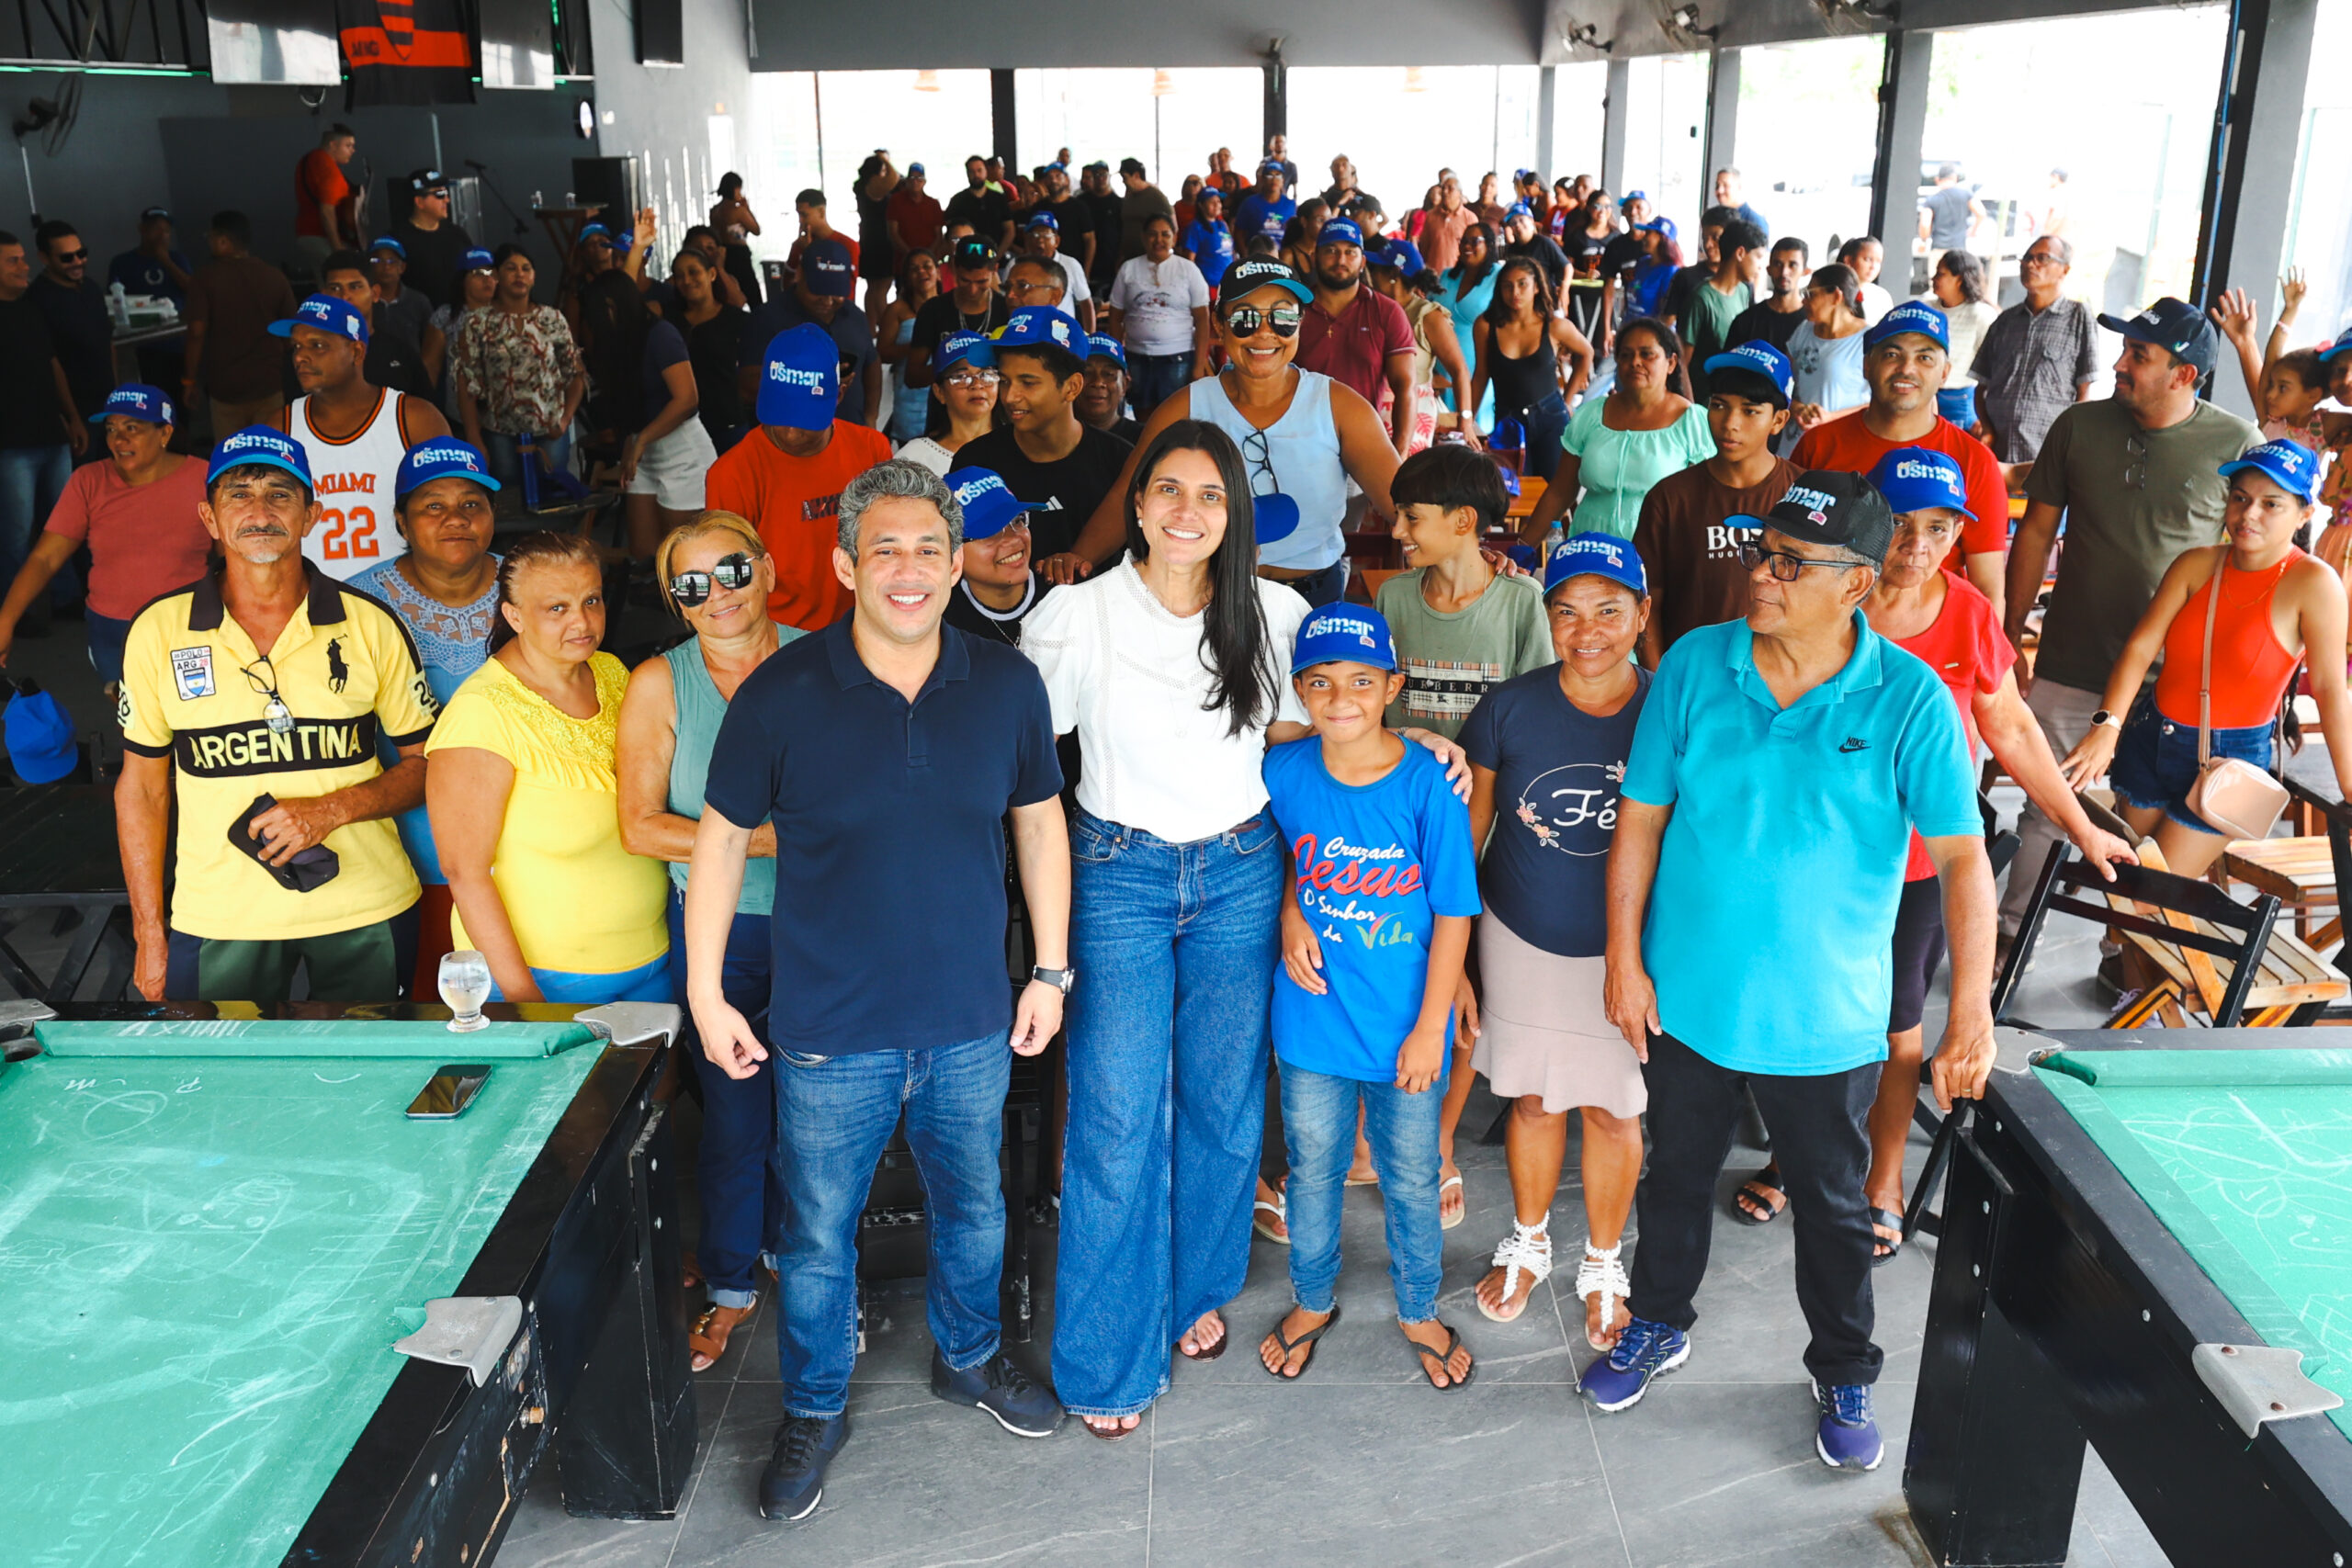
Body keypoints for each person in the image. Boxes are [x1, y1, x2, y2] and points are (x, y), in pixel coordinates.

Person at [1583, 469, 1996, 1477]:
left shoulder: (1909, 702)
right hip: (1688, 998)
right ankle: (1658, 1320)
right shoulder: (1692, 662)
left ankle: (1844, 1365)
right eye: (1761, 553)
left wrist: (1968, 1012)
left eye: (1788, 563)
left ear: (1855, 584)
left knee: (1834, 1205)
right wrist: (1623, 960)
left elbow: (1962, 862)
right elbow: (1638, 819)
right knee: (1673, 1176)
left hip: (1827, 1017)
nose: (1759, 575)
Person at [688, 459, 1071, 1517]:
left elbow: (1039, 825)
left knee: (976, 1205)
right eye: (887, 550)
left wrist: (1049, 967)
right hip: (827, 1029)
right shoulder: (781, 693)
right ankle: (812, 1405)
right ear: (846, 562)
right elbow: (720, 846)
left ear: (957, 563)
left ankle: (971, 1356)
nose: (909, 571)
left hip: (967, 1018)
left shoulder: (1004, 684)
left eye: (930, 549)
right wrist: (710, 995)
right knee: (817, 1232)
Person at [1028, 423, 1316, 1438]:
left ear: (1232, 512)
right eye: (1167, 491)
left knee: (1225, 1098)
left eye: (1209, 495)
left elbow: (1299, 747)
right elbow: (1027, 767)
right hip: (1119, 873)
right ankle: (1108, 1358)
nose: (1186, 512)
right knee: (1113, 1113)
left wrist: (1415, 746)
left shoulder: (1275, 611)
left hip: (1242, 869)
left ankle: (1192, 1288)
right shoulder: (1079, 612)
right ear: (1138, 505)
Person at [116, 426, 436, 1002]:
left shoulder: (369, 624)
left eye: (280, 495)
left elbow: (429, 766)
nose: (259, 511)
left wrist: (331, 810)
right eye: (238, 494)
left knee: (374, 1083)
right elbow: (141, 789)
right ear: (209, 518)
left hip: (364, 903)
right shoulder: (158, 631)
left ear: (311, 514)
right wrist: (148, 930)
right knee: (220, 1086)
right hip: (219, 914)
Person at [1258, 602, 1481, 1391]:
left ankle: (1418, 1304)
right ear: (1301, 691)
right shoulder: (1284, 771)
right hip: (1312, 1017)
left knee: (1412, 1171)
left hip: (1402, 1028)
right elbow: (1291, 851)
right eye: (1320, 683)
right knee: (1312, 1166)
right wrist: (1291, 909)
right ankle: (1313, 1298)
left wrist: (1430, 1029)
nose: (1341, 698)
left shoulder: (1429, 785)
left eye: (1360, 681)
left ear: (1393, 685)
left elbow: (1455, 909)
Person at [1999, 299, 2259, 938]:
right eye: (2124, 351)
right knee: (2046, 810)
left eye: (2138, 356)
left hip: (2179, 685)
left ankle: (2126, 955)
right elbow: (2034, 534)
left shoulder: (2234, 444)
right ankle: (2009, 938)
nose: (2119, 364)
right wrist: (2010, 633)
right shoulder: (2079, 426)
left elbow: (2255, 561)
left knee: (2146, 824)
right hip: (2073, 660)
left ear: (2184, 374)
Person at [616, 511, 803, 1371]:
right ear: (674, 601)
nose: (716, 595)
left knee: (823, 1110)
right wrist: (762, 839)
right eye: (690, 585)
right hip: (718, 929)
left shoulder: (824, 658)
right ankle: (731, 1285)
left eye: (730, 571)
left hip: (824, 925)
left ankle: (806, 1264)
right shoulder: (662, 680)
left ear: (765, 566)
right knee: (733, 1113)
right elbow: (641, 827)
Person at [1460, 532, 1652, 1343]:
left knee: (1614, 1110)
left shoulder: (1668, 708)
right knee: (1532, 1098)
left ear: (1642, 615)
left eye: (1609, 610)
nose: (1588, 630)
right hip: (1521, 931)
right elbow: (1466, 842)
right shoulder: (1510, 706)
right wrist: (1460, 959)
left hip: (1629, 947)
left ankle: (1604, 1258)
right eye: (1567, 611)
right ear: (1547, 619)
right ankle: (1531, 1238)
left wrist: (1637, 961)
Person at [2059, 440, 2352, 878]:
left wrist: (2349, 784)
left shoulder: (2314, 582)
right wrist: (2107, 726)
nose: (2249, 514)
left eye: (2271, 503)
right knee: (2125, 880)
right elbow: (2140, 648)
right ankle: (2115, 950)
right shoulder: (2196, 564)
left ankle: (2129, 943)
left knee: (2152, 895)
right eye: (2240, 498)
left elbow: (2330, 688)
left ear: (2304, 514)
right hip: (2151, 738)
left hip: (2232, 759)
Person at [1047, 259, 1401, 610]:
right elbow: (1129, 491)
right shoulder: (1185, 407)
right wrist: (1079, 559)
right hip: (1213, 594)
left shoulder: (1340, 406)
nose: (1265, 333)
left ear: (1301, 323)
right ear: (1219, 322)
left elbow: (1400, 503)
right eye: (1244, 318)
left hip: (1313, 596)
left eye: (1283, 317)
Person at [425, 531, 669, 1003]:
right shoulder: (482, 713)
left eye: (591, 600)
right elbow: (465, 874)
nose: (582, 621)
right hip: (549, 982)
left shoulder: (612, 673)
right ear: (513, 615)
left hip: (654, 960)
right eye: (556, 608)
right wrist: (525, 1004)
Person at [347, 438, 501, 998]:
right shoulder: (357, 605)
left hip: (524, 844)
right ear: (401, 521)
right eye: (433, 506)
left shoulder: (532, 588)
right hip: (411, 850)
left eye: (471, 504)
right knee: (438, 1002)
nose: (455, 519)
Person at [1790, 300, 2009, 617]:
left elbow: (1988, 589)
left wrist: (1986, 663)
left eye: (1924, 358)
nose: (1907, 369)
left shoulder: (1974, 460)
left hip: (1934, 639)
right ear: (1867, 365)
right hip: (1831, 633)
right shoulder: (1820, 445)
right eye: (1892, 355)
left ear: (1945, 373)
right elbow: (1793, 553)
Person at [0, 385, 208, 689]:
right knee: (133, 726)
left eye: (132, 428)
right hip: (112, 630)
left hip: (187, 625)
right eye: (111, 429)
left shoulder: (204, 478)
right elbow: (45, 558)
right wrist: (6, 620)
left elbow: (233, 555)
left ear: (165, 434)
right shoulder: (89, 480)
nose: (118, 439)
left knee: (194, 720)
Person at [707, 323, 893, 629]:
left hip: (866, 625)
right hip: (781, 638)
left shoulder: (872, 449)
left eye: (806, 418)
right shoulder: (731, 474)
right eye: (780, 413)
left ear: (840, 395)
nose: (791, 431)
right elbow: (730, 585)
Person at [1633, 341, 1797, 660]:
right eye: (1719, 405)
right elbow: (1649, 601)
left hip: (1784, 683)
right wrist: (1659, 681)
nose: (1730, 423)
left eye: (1750, 411)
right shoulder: (1669, 498)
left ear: (1778, 420)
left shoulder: (1803, 496)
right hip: (1692, 681)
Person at [272, 291, 450, 581]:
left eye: (317, 345)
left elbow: (450, 514)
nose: (301, 356)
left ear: (356, 352)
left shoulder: (414, 419)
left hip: (401, 597)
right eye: (296, 346)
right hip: (316, 601)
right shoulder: (280, 428)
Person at [952, 309, 1129, 562]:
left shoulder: (1121, 461)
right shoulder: (974, 462)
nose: (1010, 396)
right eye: (1004, 380)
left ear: (1072, 387)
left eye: (1028, 382)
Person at [1524, 316, 1712, 543]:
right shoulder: (1591, 415)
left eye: (1647, 354)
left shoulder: (1691, 422)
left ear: (1671, 363)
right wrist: (1524, 547)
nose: (1635, 362)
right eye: (1626, 355)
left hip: (1660, 554)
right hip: (1590, 550)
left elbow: (1707, 502)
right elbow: (1560, 492)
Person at [453, 246, 586, 501]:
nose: (519, 275)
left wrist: (566, 418)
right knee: (508, 500)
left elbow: (576, 373)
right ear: (497, 276)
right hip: (499, 431)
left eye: (526, 269)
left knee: (554, 497)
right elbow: (466, 379)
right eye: (511, 268)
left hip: (549, 429)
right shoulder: (477, 322)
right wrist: (473, 435)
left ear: (534, 277)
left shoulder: (552, 318)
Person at [0, 231, 80, 637]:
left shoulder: (30, 310)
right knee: (15, 532)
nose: (24, 266)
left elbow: (52, 365)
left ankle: (66, 597)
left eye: (21, 259)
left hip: (51, 432)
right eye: (12, 261)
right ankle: (19, 610)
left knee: (62, 523)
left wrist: (72, 417)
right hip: (10, 443)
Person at [1970, 237, 2099, 464]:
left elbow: (2084, 393)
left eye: (2043, 259)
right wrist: (1987, 429)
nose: (2031, 264)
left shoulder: (2078, 317)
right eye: (2027, 258)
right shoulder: (2005, 321)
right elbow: (1981, 387)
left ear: (2064, 270)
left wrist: (2071, 442)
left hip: (2045, 457)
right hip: (1996, 455)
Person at [1295, 217, 1416, 451]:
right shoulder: (1292, 311)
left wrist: (1398, 459)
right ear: (1313, 258)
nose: (1341, 260)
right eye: (1331, 250)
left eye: (1350, 252)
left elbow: (1405, 387)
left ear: (1362, 262)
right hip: (1299, 443)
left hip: (1363, 445)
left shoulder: (1386, 312)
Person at [1470, 257, 1592, 483]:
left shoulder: (1555, 326)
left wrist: (1567, 400)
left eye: (1522, 284)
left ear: (1536, 287)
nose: (1514, 291)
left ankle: (1554, 522)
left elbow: (1586, 353)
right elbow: (1480, 376)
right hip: (1507, 420)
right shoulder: (1486, 326)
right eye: (1507, 285)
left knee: (1553, 492)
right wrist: (1467, 420)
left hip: (1551, 416)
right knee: (1513, 494)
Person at [748, 237, 880, 429]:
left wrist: (870, 417)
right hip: (792, 438)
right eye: (819, 290)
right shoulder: (768, 319)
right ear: (800, 274)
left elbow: (872, 362)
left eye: (836, 292)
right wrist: (814, 382)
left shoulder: (855, 316)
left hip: (851, 435)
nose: (827, 300)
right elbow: (748, 385)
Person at [622, 299, 718, 556]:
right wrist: (631, 442)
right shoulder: (615, 341)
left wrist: (640, 439)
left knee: (687, 557)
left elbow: (687, 399)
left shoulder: (660, 334)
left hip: (682, 451)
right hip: (641, 451)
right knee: (644, 555)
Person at [1365, 237, 1475, 455]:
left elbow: (1459, 369)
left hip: (1414, 413)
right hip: (1373, 410)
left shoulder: (1428, 316)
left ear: (1394, 275)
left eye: (1376, 269)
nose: (1370, 275)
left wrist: (1466, 421)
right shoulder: (1373, 308)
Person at [1102, 216, 1211, 418]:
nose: (1158, 239)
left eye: (1165, 234)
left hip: (1177, 358)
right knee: (1140, 416)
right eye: (1152, 234)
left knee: (1173, 418)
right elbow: (1115, 317)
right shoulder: (1129, 268)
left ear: (1174, 238)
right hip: (1136, 357)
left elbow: (1203, 320)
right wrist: (1119, 360)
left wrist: (1198, 367)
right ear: (1143, 238)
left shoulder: (1188, 270)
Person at [938, 465, 1056, 645]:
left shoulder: (1061, 594)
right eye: (989, 532)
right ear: (951, 550)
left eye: (1018, 520)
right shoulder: (940, 625)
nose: (1013, 539)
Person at [30, 221, 114, 447]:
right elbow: (49, 363)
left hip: (107, 402)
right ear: (44, 258)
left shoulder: (91, 288)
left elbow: (107, 342)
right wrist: (72, 417)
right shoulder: (37, 300)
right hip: (75, 408)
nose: (77, 262)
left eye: (81, 253)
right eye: (67, 258)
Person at [317, 249, 430, 402]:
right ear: (324, 296)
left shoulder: (402, 354)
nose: (345, 296)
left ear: (375, 294)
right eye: (335, 288)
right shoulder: (307, 356)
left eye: (355, 287)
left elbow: (426, 413)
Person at [1783, 264, 1871, 450]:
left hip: (1838, 446)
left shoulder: (1868, 340)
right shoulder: (1804, 331)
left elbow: (1878, 404)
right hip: (1794, 445)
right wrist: (1796, 406)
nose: (1803, 301)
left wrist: (1830, 418)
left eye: (1811, 294)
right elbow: (1781, 379)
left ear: (1836, 296)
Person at [670, 246, 749, 450]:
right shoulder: (670, 325)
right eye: (679, 276)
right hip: (684, 430)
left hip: (729, 426)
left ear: (712, 274)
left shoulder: (738, 320)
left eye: (693, 272)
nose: (687, 280)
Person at [906, 236, 1012, 389]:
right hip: (945, 408)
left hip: (994, 408)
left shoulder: (1006, 309)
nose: (973, 290)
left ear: (995, 270)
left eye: (981, 282)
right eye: (965, 280)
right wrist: (952, 362)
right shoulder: (933, 310)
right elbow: (912, 377)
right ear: (954, 268)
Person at [897, 332, 1001, 476]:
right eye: (961, 377)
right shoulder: (914, 459)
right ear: (939, 392)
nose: (977, 385)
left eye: (986, 374)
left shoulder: (1024, 446)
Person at [1682, 220, 1763, 402]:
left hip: (1729, 399)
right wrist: (1691, 409)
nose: (1760, 266)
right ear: (1741, 253)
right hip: (1703, 402)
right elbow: (1682, 362)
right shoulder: (1701, 298)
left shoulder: (1743, 291)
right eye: (1758, 257)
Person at [423, 248, 494, 427]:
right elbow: (430, 366)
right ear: (462, 280)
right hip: (459, 416)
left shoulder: (506, 312)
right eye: (478, 273)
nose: (487, 279)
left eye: (491, 273)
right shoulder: (445, 316)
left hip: (503, 417)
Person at [876, 248, 941, 444]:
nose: (922, 272)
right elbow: (883, 353)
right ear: (907, 278)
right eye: (914, 269)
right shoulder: (897, 309)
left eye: (927, 266)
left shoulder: (950, 305)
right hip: (909, 398)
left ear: (937, 272)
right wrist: (919, 345)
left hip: (944, 393)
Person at [388, 170, 473, 311]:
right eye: (440, 195)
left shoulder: (458, 234)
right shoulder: (396, 241)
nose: (447, 200)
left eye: (447, 193)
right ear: (419, 202)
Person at [364, 240, 435, 397]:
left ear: (402, 267)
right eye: (377, 261)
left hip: (409, 375)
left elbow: (430, 344)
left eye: (392, 261)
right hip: (370, 374)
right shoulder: (362, 301)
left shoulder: (418, 302)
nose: (385, 266)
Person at [1726, 237, 1809, 356]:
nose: (1784, 272)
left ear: (1805, 271)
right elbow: (1728, 369)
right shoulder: (1746, 321)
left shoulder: (1812, 324)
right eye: (1778, 264)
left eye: (1792, 265)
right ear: (1769, 269)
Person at [293, 124, 358, 270]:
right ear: (333, 145)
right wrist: (337, 248)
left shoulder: (308, 160)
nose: (353, 150)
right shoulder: (329, 170)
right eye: (348, 145)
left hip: (306, 233)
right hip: (321, 237)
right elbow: (327, 211)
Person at [1930, 248, 1996, 383]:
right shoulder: (1926, 309)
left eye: (1940, 274)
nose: (1933, 278)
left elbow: (1991, 364)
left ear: (1959, 279)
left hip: (1960, 397)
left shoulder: (1981, 315)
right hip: (1925, 393)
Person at [1018, 213, 1093, 330]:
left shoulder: (1070, 264)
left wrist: (1090, 337)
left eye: (1046, 235)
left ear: (1057, 241)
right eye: (1035, 235)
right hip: (1025, 332)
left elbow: (1086, 303)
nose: (1040, 240)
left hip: (1063, 335)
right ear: (1027, 239)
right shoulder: (1016, 265)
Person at [854, 153, 899, 321]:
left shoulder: (863, 186)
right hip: (880, 242)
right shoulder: (874, 185)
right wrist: (886, 160)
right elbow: (894, 178)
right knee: (882, 288)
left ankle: (871, 328)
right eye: (882, 170)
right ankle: (885, 325)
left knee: (872, 288)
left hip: (869, 239)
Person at [711, 173, 765, 308]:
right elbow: (756, 230)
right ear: (735, 189)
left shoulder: (714, 211)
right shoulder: (738, 211)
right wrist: (746, 208)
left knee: (728, 293)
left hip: (722, 254)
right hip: (739, 254)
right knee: (753, 294)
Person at [945, 156, 1015, 254]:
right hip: (966, 258)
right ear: (967, 174)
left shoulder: (999, 198)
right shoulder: (957, 201)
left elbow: (1010, 230)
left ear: (986, 171)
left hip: (997, 257)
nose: (976, 175)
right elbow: (950, 234)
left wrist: (997, 256)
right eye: (972, 172)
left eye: (979, 170)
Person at [1080, 334, 1141, 445]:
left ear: (1124, 385)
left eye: (1108, 374)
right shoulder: (1053, 439)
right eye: (1087, 373)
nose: (1098, 382)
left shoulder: (1144, 439)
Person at [887, 162, 945, 272]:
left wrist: (927, 256)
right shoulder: (896, 201)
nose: (915, 181)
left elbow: (938, 236)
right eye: (912, 177)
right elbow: (893, 233)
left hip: (929, 263)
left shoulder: (933, 204)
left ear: (924, 181)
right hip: (904, 262)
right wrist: (910, 255)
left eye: (919, 178)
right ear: (907, 180)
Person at [1918, 164, 1985, 261]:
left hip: (1939, 250)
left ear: (1937, 179)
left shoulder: (1931, 200)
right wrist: (1973, 230)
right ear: (1955, 178)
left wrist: (1923, 241)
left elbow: (1925, 224)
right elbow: (1981, 212)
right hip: (1959, 250)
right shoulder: (1966, 195)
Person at [1179, 186, 1236, 290]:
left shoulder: (1222, 224)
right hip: (1208, 286)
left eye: (1218, 201)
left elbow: (1231, 252)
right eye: (1211, 202)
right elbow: (1189, 260)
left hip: (1228, 283)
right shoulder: (1195, 228)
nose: (1217, 205)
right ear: (1201, 205)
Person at [1236, 161, 1297, 254]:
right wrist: (1245, 255)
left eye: (1278, 175)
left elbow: (1295, 235)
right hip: (1256, 258)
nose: (1274, 179)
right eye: (1269, 175)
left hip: (1282, 259)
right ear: (1263, 179)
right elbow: (1238, 233)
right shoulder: (1249, 203)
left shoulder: (1291, 204)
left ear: (1283, 180)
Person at [1838, 236, 1894, 327]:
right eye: (1867, 259)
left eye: (1878, 261)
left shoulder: (1882, 297)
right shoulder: (1834, 293)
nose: (1873, 266)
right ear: (1848, 260)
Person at [1712, 168, 1767, 236]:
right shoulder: (1716, 217)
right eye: (1717, 186)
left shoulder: (1753, 221)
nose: (1720, 190)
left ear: (1739, 187)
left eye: (1725, 185)